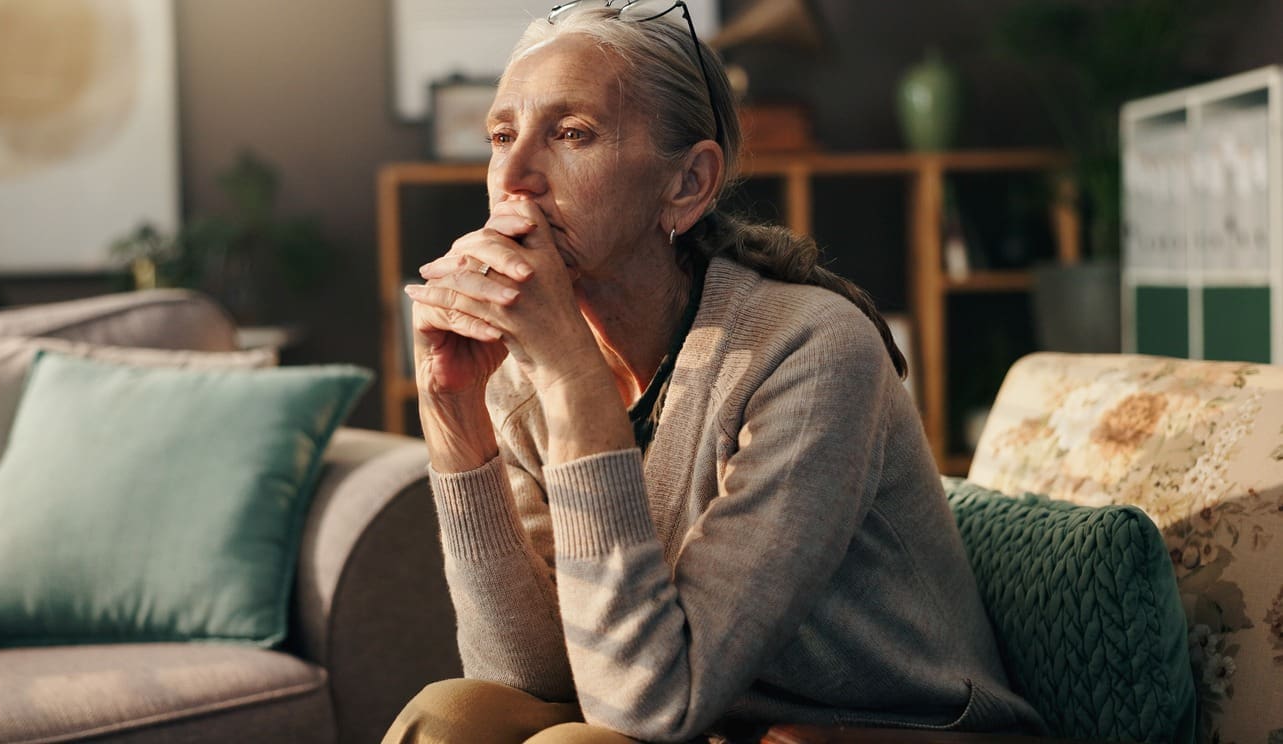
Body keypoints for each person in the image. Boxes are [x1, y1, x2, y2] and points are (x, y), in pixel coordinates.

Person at [384, 2, 1044, 742]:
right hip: (705, 717)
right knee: (453, 714)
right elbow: (532, 680)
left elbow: (647, 710)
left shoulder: (812, 350)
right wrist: (454, 416)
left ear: (687, 183)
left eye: (571, 134)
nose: (511, 176)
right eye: (500, 135)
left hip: (880, 727)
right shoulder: (522, 365)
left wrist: (575, 383)